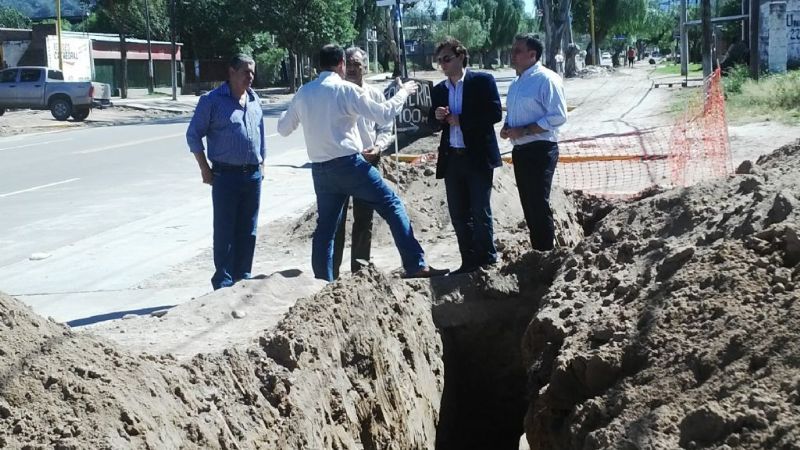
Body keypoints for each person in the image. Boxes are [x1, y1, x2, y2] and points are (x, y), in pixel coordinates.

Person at [277, 44, 448, 282]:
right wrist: (404, 93)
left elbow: (283, 129)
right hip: (349, 165)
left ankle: (322, 282)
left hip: (321, 170)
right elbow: (384, 114)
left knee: (325, 229)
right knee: (392, 205)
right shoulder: (346, 90)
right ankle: (415, 264)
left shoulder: (304, 92)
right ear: (341, 65)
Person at [186, 54, 265, 290]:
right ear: (231, 72)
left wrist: (262, 165)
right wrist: (204, 168)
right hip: (225, 176)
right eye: (245, 72)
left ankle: (243, 276)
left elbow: (260, 135)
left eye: (252, 72)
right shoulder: (212, 101)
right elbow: (193, 135)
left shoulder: (253, 98)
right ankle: (223, 281)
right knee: (225, 230)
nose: (250, 77)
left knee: (248, 229)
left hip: (252, 175)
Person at [429, 37, 502, 275]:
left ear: (461, 56)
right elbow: (431, 122)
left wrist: (463, 120)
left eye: (447, 59)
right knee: (459, 214)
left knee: (480, 210)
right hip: (453, 158)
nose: (443, 64)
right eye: (439, 60)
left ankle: (487, 259)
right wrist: (437, 116)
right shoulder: (440, 89)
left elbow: (493, 113)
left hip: (477, 157)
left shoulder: (482, 81)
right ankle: (468, 261)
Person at [330, 47, 394, 279]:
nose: (354, 68)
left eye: (358, 63)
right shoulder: (335, 94)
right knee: (336, 221)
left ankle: (360, 271)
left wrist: (378, 146)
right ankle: (332, 273)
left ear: (365, 67)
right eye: (349, 63)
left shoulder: (375, 96)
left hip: (367, 163)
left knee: (364, 219)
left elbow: (386, 126)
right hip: (340, 164)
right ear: (342, 66)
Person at [500, 34, 567, 251]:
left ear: (532, 55)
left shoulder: (546, 79)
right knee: (528, 205)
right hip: (520, 151)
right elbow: (513, 114)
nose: (513, 55)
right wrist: (508, 128)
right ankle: (538, 251)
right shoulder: (516, 83)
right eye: (513, 50)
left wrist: (526, 130)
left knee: (538, 203)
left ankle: (547, 254)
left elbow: (557, 116)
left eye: (518, 51)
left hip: (541, 149)